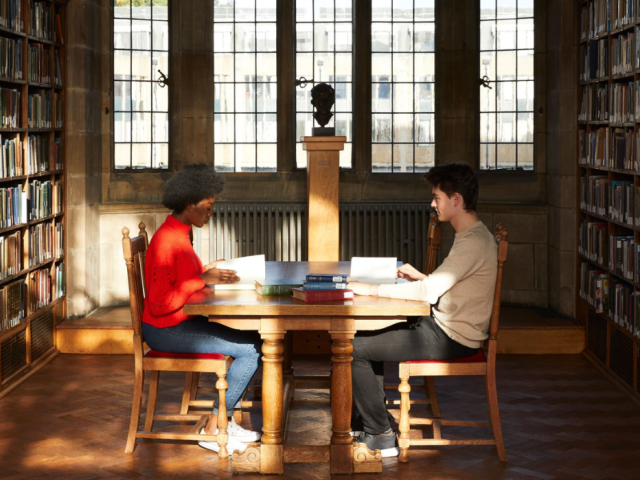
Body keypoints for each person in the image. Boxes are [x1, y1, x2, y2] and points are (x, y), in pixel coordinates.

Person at [347, 163, 498, 457]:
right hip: (443, 327)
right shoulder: (472, 236)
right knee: (363, 336)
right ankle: (372, 421)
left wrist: (368, 289)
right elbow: (450, 287)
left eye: (437, 197)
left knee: (352, 348)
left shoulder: (473, 241)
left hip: (451, 337)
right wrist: (424, 277)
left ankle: (380, 433)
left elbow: (428, 295)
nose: (432, 204)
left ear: (456, 200)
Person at [141, 164, 262, 455]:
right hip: (165, 329)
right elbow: (159, 304)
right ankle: (215, 426)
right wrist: (202, 278)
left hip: (177, 323)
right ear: (188, 205)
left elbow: (180, 278)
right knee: (253, 348)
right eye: (207, 208)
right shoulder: (166, 242)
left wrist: (209, 269)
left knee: (253, 339)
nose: (210, 214)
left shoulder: (179, 233)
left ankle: (223, 418)